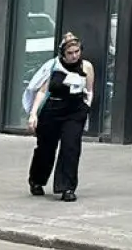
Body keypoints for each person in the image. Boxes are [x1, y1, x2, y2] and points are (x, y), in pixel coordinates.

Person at [27, 33, 95, 202]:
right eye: (70, 53)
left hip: (75, 110)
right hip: (53, 109)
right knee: (46, 148)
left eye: (77, 52)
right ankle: (37, 180)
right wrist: (33, 114)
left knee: (71, 147)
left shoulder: (87, 66)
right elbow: (42, 91)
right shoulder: (54, 66)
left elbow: (89, 90)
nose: (74, 56)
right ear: (63, 54)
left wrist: (87, 106)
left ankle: (67, 188)